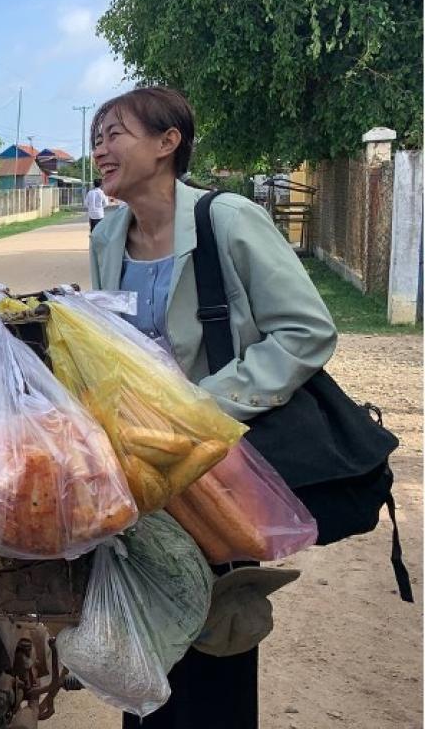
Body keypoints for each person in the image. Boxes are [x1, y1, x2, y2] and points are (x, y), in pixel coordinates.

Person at [87, 86, 336, 729]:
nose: (100, 148)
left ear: (168, 143)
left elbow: (306, 332)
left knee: (212, 643)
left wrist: (199, 404)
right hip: (140, 475)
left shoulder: (226, 218)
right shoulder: (109, 233)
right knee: (147, 643)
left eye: (116, 133)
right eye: (96, 136)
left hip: (216, 470)